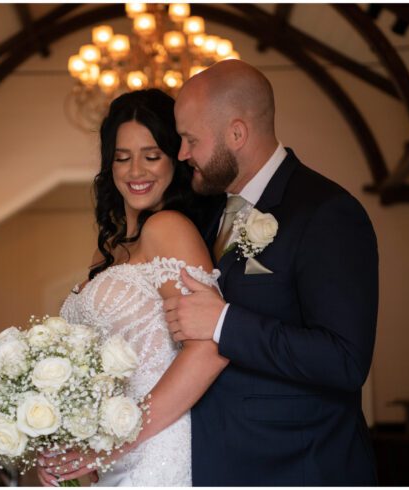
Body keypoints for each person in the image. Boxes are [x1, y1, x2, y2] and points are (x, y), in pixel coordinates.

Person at [163, 59, 380, 485]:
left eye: (190, 139)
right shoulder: (210, 216)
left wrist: (223, 322)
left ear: (237, 133)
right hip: (221, 462)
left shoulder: (326, 212)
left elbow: (345, 360)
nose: (182, 154)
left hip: (300, 466)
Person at [36, 89, 227, 486]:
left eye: (152, 155)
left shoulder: (169, 228)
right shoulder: (109, 248)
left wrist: (114, 442)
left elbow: (209, 349)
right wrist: (70, 448)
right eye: (122, 157)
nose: (136, 171)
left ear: (176, 159)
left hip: (156, 446)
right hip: (112, 449)